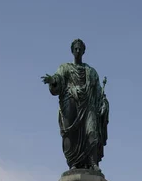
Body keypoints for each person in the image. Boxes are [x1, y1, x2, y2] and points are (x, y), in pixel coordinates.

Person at [42, 38, 109, 170]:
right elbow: (58, 78)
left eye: (80, 49)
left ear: (84, 51)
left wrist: (103, 104)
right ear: (72, 51)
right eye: (75, 49)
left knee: (92, 132)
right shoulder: (65, 67)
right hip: (71, 104)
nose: (78, 51)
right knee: (70, 134)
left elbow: (99, 92)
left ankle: (92, 162)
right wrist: (53, 81)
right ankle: (73, 163)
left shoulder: (91, 72)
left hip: (89, 105)